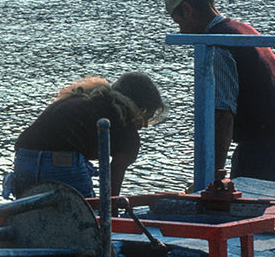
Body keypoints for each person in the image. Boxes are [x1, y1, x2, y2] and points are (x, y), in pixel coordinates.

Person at [164, 0, 275, 184]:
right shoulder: (242, 28)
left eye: (179, 23)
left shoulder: (217, 44)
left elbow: (223, 115)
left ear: (187, 10)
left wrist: (213, 174)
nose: (181, 32)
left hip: (269, 138)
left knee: (247, 206)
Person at [9, 72, 165, 199]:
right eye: (146, 116)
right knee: (86, 223)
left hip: (24, 161)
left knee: (30, 220)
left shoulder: (82, 99)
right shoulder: (124, 123)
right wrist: (111, 217)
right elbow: (112, 183)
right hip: (61, 164)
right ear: (138, 107)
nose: (144, 124)